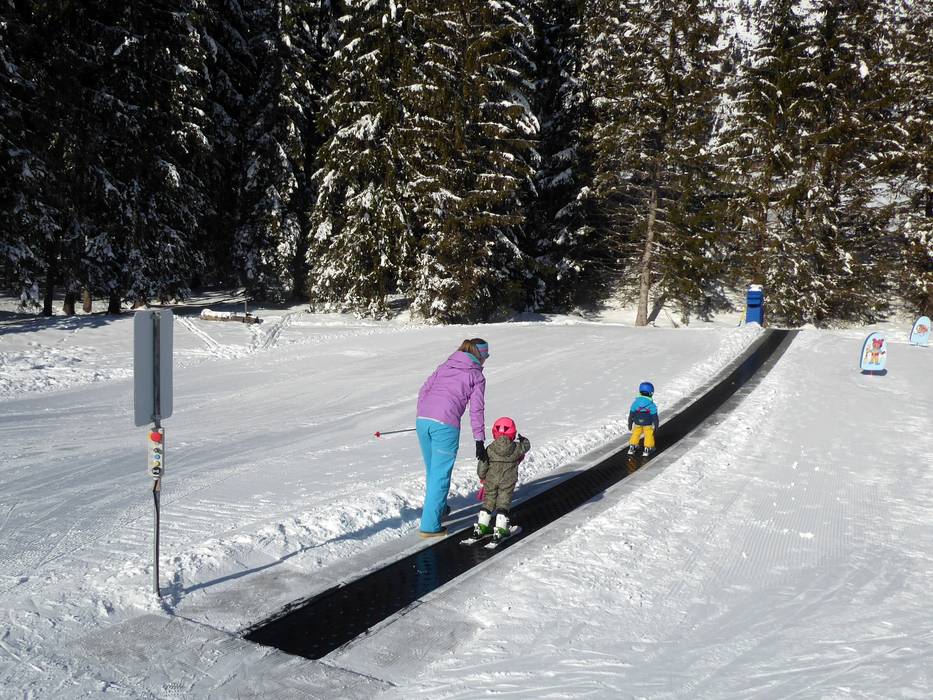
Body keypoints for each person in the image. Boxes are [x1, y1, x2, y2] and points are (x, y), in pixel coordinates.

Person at [415, 338, 489, 538]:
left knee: (433, 471)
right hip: (445, 426)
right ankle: (430, 527)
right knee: (440, 475)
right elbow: (476, 410)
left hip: (423, 421)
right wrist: (479, 439)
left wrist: (425, 412)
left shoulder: (445, 365)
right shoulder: (476, 376)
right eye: (487, 356)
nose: (486, 361)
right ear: (481, 356)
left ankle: (438, 507)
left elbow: (424, 390)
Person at [473, 417, 530, 543]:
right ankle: (500, 529)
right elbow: (526, 446)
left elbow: (482, 465)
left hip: (491, 480)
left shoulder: (490, 449)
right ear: (513, 433)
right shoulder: (517, 448)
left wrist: (482, 476)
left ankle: (481, 527)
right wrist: (523, 439)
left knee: (489, 500)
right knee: (503, 502)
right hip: (508, 481)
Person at [627, 381, 659, 457]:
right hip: (647, 423)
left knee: (636, 433)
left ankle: (632, 446)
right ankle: (647, 448)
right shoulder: (652, 405)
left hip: (637, 423)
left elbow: (631, 414)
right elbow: (655, 417)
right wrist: (656, 426)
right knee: (648, 435)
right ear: (651, 393)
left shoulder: (635, 403)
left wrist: (630, 423)